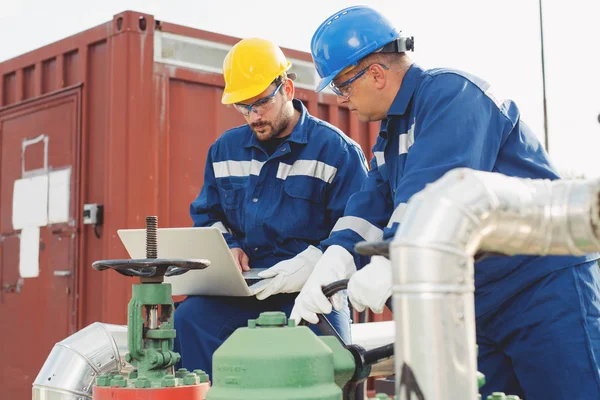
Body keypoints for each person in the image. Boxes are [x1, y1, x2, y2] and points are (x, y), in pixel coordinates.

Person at [290, 5, 600, 399]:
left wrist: (395, 260)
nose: (343, 98)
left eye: (342, 86)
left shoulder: (453, 95)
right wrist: (334, 259)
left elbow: (435, 189)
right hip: (479, 304)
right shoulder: (391, 136)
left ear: (376, 74)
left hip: (543, 291)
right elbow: (371, 202)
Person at [173, 37, 369, 378]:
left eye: (261, 102)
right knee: (188, 322)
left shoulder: (336, 151)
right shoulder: (224, 150)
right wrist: (228, 246)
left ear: (288, 89)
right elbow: (208, 216)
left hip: (312, 290)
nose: (254, 115)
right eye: (243, 106)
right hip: (246, 288)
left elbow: (359, 229)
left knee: (324, 363)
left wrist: (313, 264)